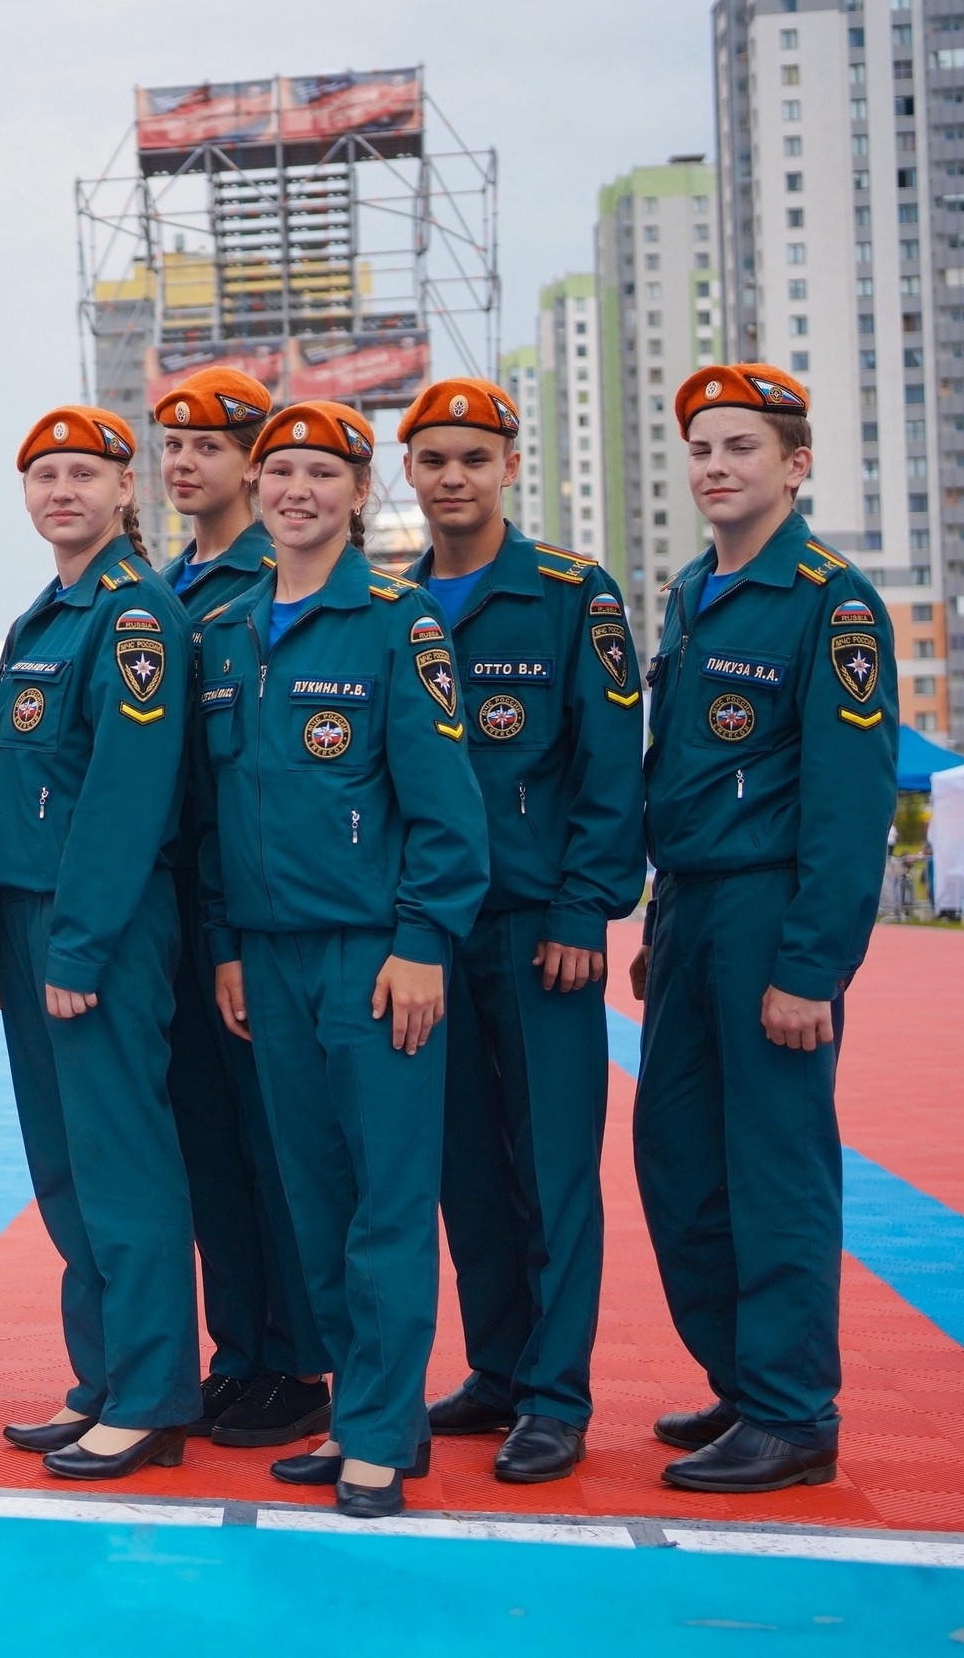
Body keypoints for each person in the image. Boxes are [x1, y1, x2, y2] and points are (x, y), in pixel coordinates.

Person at [195, 400, 489, 1517]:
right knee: (310, 1203)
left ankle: (375, 1434)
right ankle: (367, 1408)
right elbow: (216, 814)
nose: (295, 492)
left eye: (322, 473)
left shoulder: (395, 626)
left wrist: (421, 943)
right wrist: (223, 947)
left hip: (374, 959)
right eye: (279, 473)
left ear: (360, 495)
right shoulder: (225, 632)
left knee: (384, 1204)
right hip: (264, 959)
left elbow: (447, 816)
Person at [628, 365, 898, 1493]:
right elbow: (683, 769)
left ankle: (792, 1415)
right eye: (700, 450)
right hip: (690, 910)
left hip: (767, 919)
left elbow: (849, 806)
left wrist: (809, 967)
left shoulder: (830, 603)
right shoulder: (696, 589)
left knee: (775, 1168)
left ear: (794, 465)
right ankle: (743, 1381)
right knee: (676, 1160)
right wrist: (655, 911)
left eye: (740, 448)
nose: (714, 468)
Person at [397, 377, 644, 1486]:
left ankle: (555, 1394)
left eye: (473, 458)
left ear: (508, 466)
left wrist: (586, 902)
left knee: (550, 1170)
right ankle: (496, 1368)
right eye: (433, 459)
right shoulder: (386, 604)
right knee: (460, 1170)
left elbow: (606, 764)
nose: (453, 477)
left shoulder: (567, 595)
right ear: (407, 473)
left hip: (539, 929)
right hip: (423, 937)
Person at [0, 406, 201, 1479]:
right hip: (25, 919)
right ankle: (102, 1379)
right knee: (64, 1170)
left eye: (83, 474)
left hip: (91, 923)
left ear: (123, 490)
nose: (61, 491)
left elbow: (124, 796)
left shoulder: (132, 614)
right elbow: (8, 788)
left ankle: (151, 1394)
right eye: (43, 475)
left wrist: (78, 945)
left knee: (122, 1164)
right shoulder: (41, 618)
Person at [153, 368, 333, 1448]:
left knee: (278, 1148)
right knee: (208, 1152)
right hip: (179, 905)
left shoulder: (278, 583)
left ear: (253, 465)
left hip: (255, 906)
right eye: (168, 446)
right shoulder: (170, 583)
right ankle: (244, 1353)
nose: (182, 465)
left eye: (206, 448)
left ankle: (299, 1361)